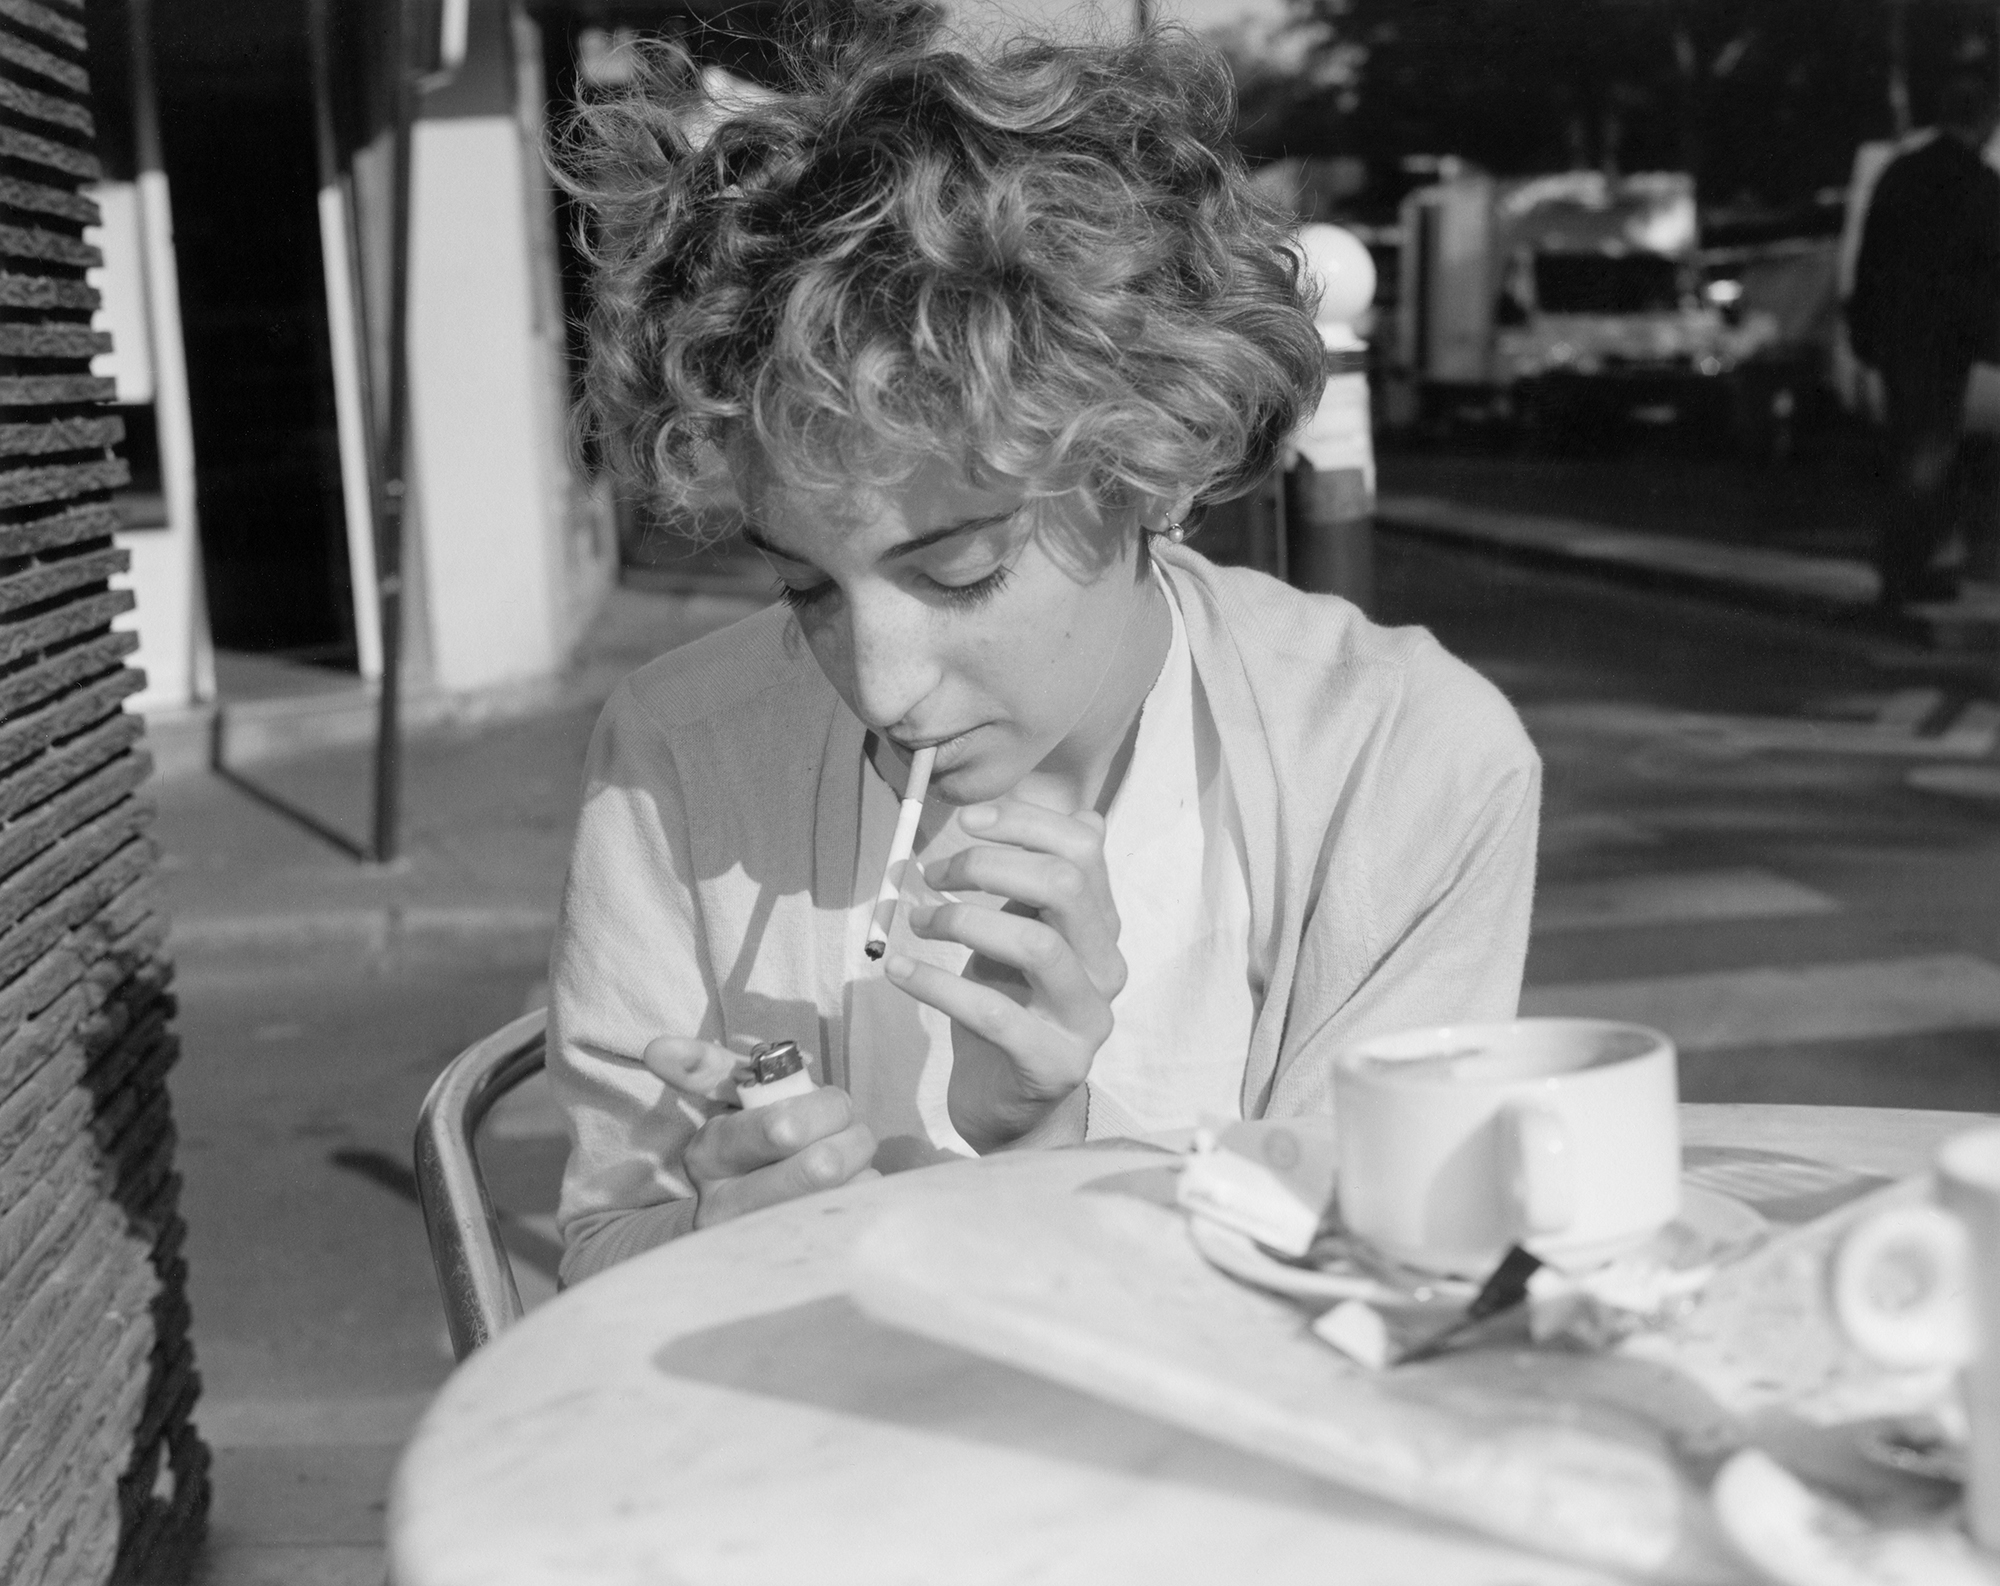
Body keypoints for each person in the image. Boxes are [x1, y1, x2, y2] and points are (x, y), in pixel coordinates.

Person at [547, 3, 1541, 1286]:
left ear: (1151, 464)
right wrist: (715, 1241)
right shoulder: (675, 755)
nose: (883, 686)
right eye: (806, 588)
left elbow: (1377, 1290)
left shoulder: (1404, 763)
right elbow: (605, 1257)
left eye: (957, 567)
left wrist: (1045, 1143)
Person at [1848, 73, 2000, 607]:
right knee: (1933, 456)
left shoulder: (1902, 173)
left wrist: (1863, 333)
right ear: (1982, 122)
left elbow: (1870, 260)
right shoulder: (1979, 185)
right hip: (1947, 343)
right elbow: (1988, 275)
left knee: (1911, 452)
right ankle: (1914, 567)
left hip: (1898, 338)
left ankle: (1908, 567)